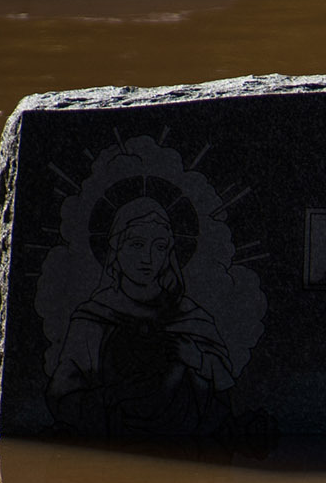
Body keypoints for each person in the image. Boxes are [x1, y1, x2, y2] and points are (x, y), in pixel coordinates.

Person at [49, 183, 241, 437]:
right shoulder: (93, 318)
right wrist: (116, 395)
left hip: (184, 457)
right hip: (113, 454)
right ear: (116, 251)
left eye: (159, 247)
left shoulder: (190, 317)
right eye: (137, 245)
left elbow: (228, 392)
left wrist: (197, 360)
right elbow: (63, 395)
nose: (148, 258)